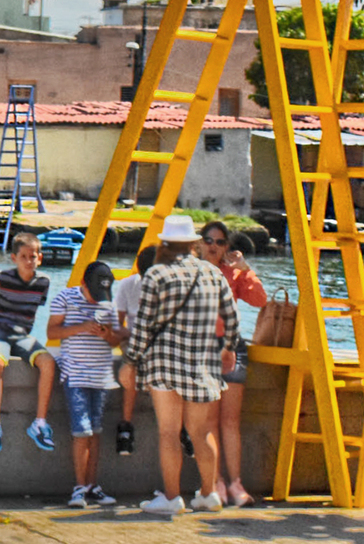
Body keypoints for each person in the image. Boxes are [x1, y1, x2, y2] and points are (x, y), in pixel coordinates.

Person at [127, 215, 240, 516]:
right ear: (193, 244)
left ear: (165, 243)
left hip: (164, 363)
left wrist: (131, 360)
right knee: (201, 432)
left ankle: (172, 498)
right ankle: (208, 494)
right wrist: (229, 348)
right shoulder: (213, 273)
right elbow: (232, 317)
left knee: (168, 432)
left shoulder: (157, 274)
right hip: (202, 362)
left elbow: (144, 326)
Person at [0, 230, 58, 454]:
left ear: (40, 258)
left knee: (48, 363)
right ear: (14, 258)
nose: (29, 261)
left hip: (21, 336)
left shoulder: (43, 282)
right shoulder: (0, 278)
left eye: (33, 257)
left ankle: (39, 423)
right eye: (23, 257)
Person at [201, 223, 268, 507]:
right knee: (209, 420)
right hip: (203, 348)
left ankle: (235, 483)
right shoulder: (193, 271)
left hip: (232, 346)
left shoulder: (234, 273)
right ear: (199, 243)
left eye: (220, 242)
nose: (214, 246)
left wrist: (245, 267)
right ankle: (215, 481)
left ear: (228, 246)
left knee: (230, 420)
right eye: (208, 240)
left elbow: (260, 300)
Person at [47, 260, 123, 507]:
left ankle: (92, 486)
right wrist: (81, 327)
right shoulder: (65, 298)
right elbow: (52, 332)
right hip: (75, 374)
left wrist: (107, 334)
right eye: (93, 293)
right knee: (82, 432)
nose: (96, 300)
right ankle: (79, 488)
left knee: (96, 432)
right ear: (83, 283)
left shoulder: (107, 302)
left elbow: (115, 340)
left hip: (101, 376)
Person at [111, 244, 159, 456]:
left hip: (159, 340)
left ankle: (182, 426)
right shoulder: (128, 285)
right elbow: (117, 324)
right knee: (131, 365)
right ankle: (126, 424)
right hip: (132, 337)